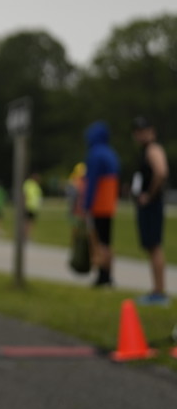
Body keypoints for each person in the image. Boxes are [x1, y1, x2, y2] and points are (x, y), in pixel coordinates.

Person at [131, 116, 169, 305]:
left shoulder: (153, 149)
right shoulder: (145, 150)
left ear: (152, 132)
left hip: (152, 205)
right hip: (148, 205)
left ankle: (159, 292)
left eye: (144, 131)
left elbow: (161, 172)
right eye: (138, 132)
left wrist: (149, 195)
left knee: (154, 246)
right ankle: (156, 290)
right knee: (151, 246)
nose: (140, 135)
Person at [83, 120, 120, 288]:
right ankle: (108, 274)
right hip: (109, 204)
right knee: (107, 241)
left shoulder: (95, 154)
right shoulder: (111, 153)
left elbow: (92, 182)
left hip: (99, 204)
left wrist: (87, 204)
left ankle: (103, 276)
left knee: (99, 242)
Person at [22, 172, 43, 239]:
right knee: (27, 221)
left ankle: (29, 235)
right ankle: (25, 235)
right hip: (28, 206)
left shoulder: (36, 185)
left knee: (31, 221)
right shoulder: (28, 184)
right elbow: (25, 194)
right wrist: (24, 203)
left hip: (34, 206)